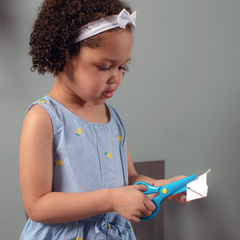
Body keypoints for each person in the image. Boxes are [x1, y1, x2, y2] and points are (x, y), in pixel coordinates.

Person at [19, 0, 188, 239]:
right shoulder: (43, 118)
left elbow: (129, 179)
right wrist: (110, 199)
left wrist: (164, 187)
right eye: (104, 66)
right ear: (63, 56)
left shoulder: (112, 117)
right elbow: (37, 206)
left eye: (122, 68)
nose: (116, 78)